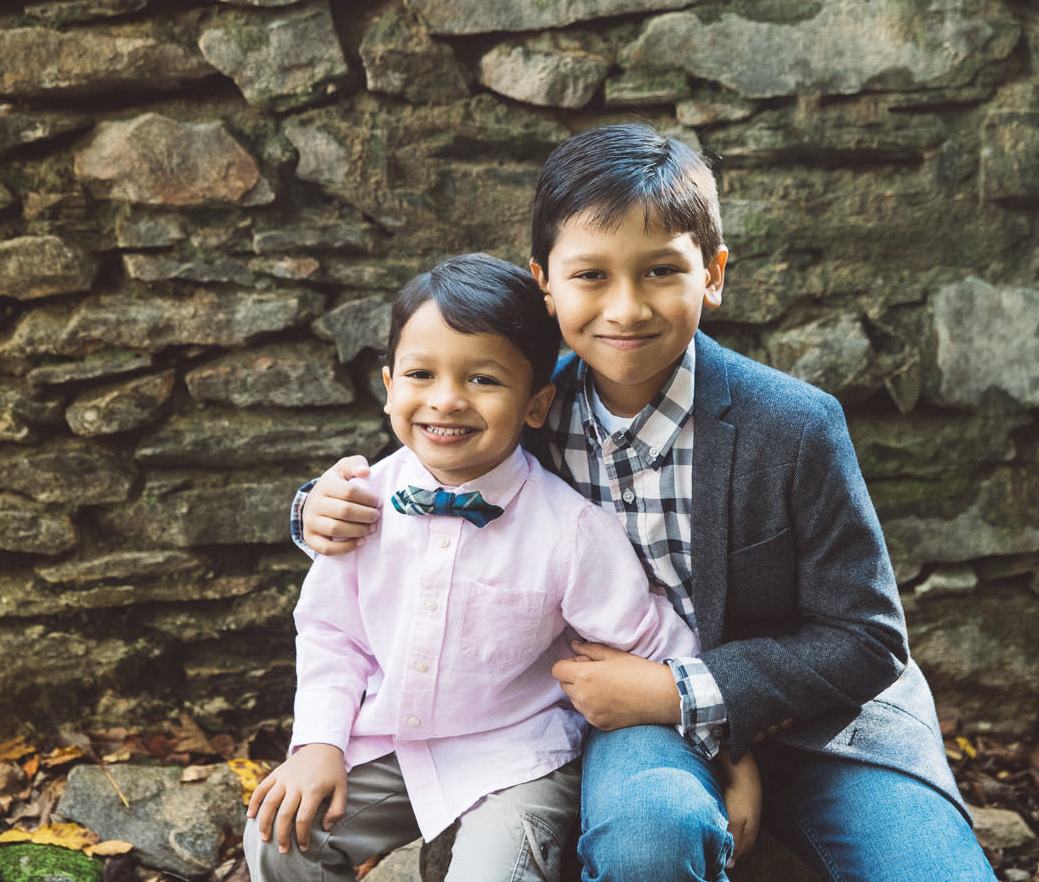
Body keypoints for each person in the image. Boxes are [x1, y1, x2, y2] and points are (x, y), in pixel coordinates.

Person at [292, 125, 997, 881]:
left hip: (829, 722)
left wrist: (700, 703)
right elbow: (421, 469)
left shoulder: (795, 426)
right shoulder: (521, 402)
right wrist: (312, 509)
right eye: (590, 275)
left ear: (713, 273)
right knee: (648, 837)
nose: (624, 309)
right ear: (545, 284)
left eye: (661, 270)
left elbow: (866, 637)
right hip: (634, 719)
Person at [248, 253, 761, 882]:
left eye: (483, 380)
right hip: (395, 749)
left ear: (537, 403)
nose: (446, 401)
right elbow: (332, 633)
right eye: (420, 374)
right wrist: (319, 744)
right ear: (388, 389)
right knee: (278, 838)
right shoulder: (360, 504)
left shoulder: (569, 531)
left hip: (519, 759)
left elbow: (658, 641)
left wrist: (733, 753)